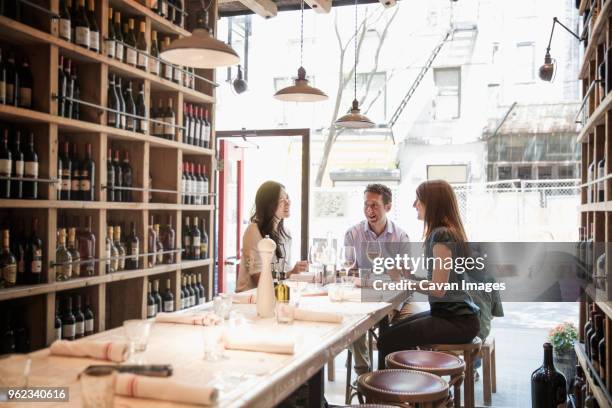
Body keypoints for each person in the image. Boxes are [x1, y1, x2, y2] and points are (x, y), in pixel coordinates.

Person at [377, 179, 480, 368]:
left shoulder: (441, 235)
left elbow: (438, 289)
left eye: (418, 199)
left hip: (456, 322)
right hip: (452, 317)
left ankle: (401, 392)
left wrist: (404, 283)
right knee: (388, 334)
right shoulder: (446, 232)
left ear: (432, 203)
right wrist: (409, 277)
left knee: (385, 341)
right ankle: (410, 388)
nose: (414, 204)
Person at [344, 183, 410, 376]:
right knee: (355, 320)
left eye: (375, 205)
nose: (369, 210)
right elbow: (349, 272)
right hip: (363, 296)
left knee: (388, 323)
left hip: (392, 299)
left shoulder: (401, 236)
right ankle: (363, 375)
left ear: (388, 207)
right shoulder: (353, 234)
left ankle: (389, 376)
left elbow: (406, 277)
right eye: (366, 205)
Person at [237, 181, 308, 293]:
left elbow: (285, 274)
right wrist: (291, 273)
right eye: (281, 200)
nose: (288, 203)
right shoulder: (253, 231)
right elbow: (258, 279)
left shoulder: (286, 233)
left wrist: (296, 273)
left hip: (276, 297)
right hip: (250, 299)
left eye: (287, 198)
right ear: (268, 204)